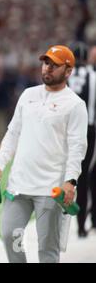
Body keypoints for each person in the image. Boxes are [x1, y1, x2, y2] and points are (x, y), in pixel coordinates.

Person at [0, 45, 88, 263]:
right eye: (46, 63)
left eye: (54, 65)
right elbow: (12, 133)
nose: (47, 69)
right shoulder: (28, 95)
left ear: (68, 71)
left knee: (47, 249)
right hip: (19, 184)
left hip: (50, 189)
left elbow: (77, 147)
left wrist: (71, 181)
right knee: (9, 236)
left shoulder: (75, 105)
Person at [68, 41, 96, 237]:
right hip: (88, 130)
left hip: (64, 132)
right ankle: (81, 226)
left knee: (62, 175)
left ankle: (60, 220)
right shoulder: (93, 76)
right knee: (84, 176)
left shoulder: (65, 76)